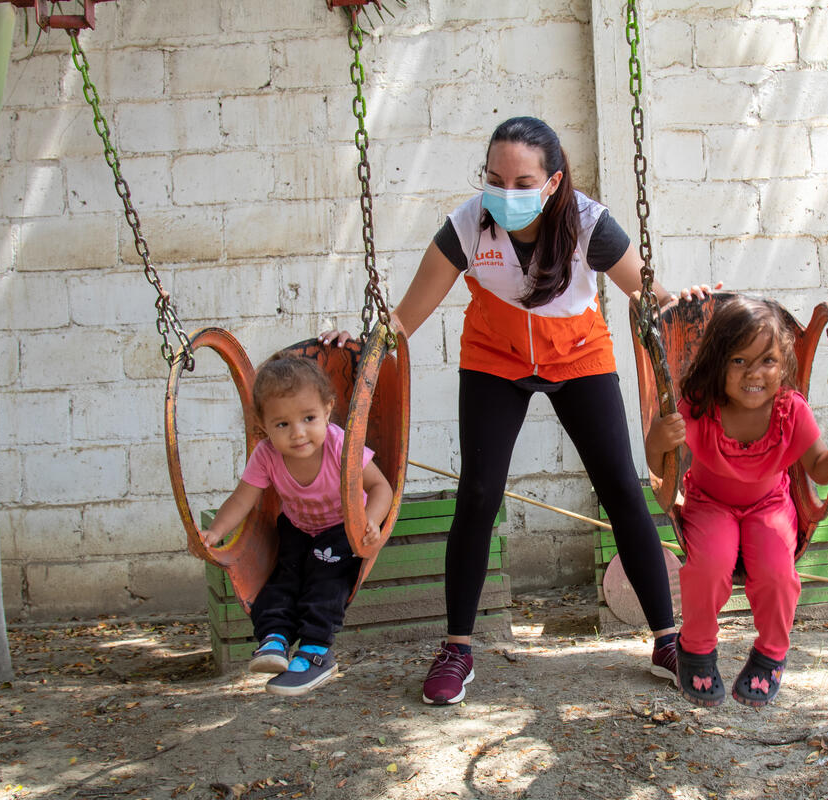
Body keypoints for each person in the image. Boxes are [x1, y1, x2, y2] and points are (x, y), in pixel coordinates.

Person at [321, 115, 712, 705]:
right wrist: (356, 342)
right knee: (478, 493)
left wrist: (686, 300)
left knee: (621, 488)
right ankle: (457, 646)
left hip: (578, 354)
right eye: (494, 178)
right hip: (493, 358)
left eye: (522, 180)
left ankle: (666, 640)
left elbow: (648, 294)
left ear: (552, 181)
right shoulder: (467, 225)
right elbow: (403, 318)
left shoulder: (586, 223)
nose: (506, 192)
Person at [644, 296, 828, 708]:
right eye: (740, 361)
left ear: (783, 366)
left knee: (778, 575)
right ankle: (697, 648)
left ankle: (771, 653)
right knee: (707, 567)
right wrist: (658, 440)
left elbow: (818, 468)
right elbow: (661, 468)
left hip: (770, 504)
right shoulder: (700, 406)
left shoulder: (790, 411)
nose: (754, 374)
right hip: (710, 503)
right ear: (718, 362)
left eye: (767, 362)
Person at [201, 352, 392, 696]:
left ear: (328, 409)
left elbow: (381, 487)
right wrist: (215, 533)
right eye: (282, 424)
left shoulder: (341, 445)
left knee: (325, 578)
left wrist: (372, 522)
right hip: (297, 528)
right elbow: (242, 499)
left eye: (308, 417)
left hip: (343, 528)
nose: (298, 433)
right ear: (263, 426)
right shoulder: (266, 455)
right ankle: (274, 638)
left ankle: (317, 651)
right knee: (281, 580)